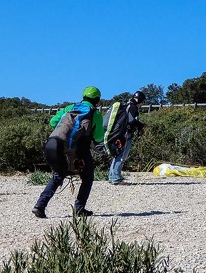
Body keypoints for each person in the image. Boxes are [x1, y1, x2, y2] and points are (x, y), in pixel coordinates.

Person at [32, 86, 104, 218]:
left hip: (52, 143)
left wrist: (66, 134)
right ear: (97, 99)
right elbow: (99, 137)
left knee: (58, 175)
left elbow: (53, 121)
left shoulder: (69, 107)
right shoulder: (95, 114)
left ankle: (40, 205)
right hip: (77, 149)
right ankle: (79, 208)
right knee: (87, 178)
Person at [108, 91, 146, 185]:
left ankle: (112, 177)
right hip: (126, 135)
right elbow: (131, 120)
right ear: (140, 100)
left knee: (118, 155)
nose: (142, 104)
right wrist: (141, 125)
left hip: (119, 134)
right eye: (142, 101)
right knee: (122, 156)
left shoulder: (127, 105)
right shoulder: (133, 107)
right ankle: (116, 178)